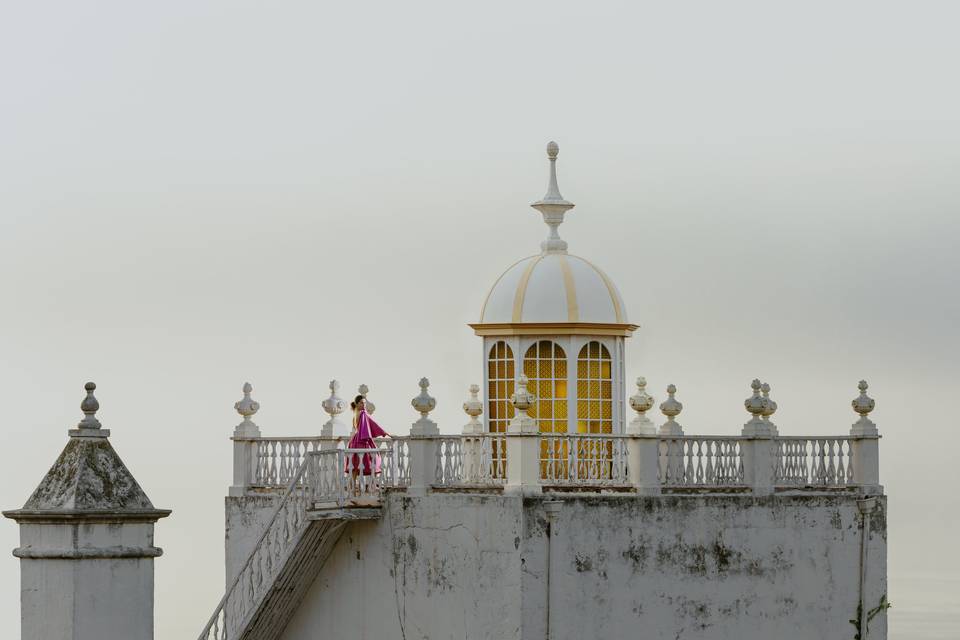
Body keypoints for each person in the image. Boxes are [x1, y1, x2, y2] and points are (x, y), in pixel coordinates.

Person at [346, 395, 391, 495]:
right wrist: (384, 432)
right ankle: (372, 485)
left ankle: (352, 490)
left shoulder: (355, 413)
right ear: (357, 404)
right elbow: (372, 423)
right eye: (362, 403)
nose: (364, 405)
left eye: (365, 403)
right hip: (362, 439)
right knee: (374, 460)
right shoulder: (362, 413)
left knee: (355, 465)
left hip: (355, 440)